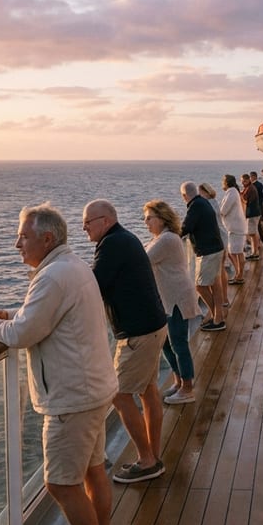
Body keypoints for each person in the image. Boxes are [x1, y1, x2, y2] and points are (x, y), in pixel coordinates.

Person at [0, 204, 116, 525]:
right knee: (93, 472)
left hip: (73, 399)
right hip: (92, 389)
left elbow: (22, 335)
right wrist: (9, 314)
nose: (16, 244)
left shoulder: (52, 276)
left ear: (47, 238)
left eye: (23, 236)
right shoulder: (70, 266)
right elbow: (42, 317)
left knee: (61, 485)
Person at [82, 199, 169, 484]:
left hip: (138, 333)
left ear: (105, 220)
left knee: (119, 396)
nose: (84, 228)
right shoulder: (125, 238)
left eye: (88, 222)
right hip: (153, 325)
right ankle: (153, 454)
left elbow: (93, 286)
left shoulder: (111, 245)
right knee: (147, 390)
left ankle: (147, 461)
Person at [143, 200, 201, 404]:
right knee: (166, 343)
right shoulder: (160, 238)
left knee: (178, 343)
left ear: (162, 218)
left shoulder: (167, 239)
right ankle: (178, 381)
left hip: (176, 297)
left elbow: (142, 260)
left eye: (149, 218)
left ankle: (187, 389)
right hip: (166, 299)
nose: (146, 222)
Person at [197, 182, 230, 316]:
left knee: (217, 274)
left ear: (205, 192)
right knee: (221, 271)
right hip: (222, 236)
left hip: (217, 239)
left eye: (200, 192)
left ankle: (219, 308)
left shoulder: (207, 204)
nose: (198, 195)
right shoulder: (214, 202)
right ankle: (224, 299)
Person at [220, 174, 247, 284]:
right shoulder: (233, 192)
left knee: (237, 252)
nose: (222, 183)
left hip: (235, 228)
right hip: (235, 227)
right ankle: (238, 273)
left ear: (226, 182)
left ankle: (240, 275)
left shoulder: (231, 192)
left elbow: (223, 210)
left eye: (223, 181)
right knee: (234, 252)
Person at [242, 173, 263, 261]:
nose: (242, 182)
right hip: (255, 213)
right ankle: (256, 250)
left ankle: (255, 253)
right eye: (242, 181)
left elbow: (245, 200)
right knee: (254, 232)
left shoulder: (250, 189)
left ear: (248, 180)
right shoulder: (251, 187)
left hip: (252, 214)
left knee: (252, 233)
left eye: (244, 181)